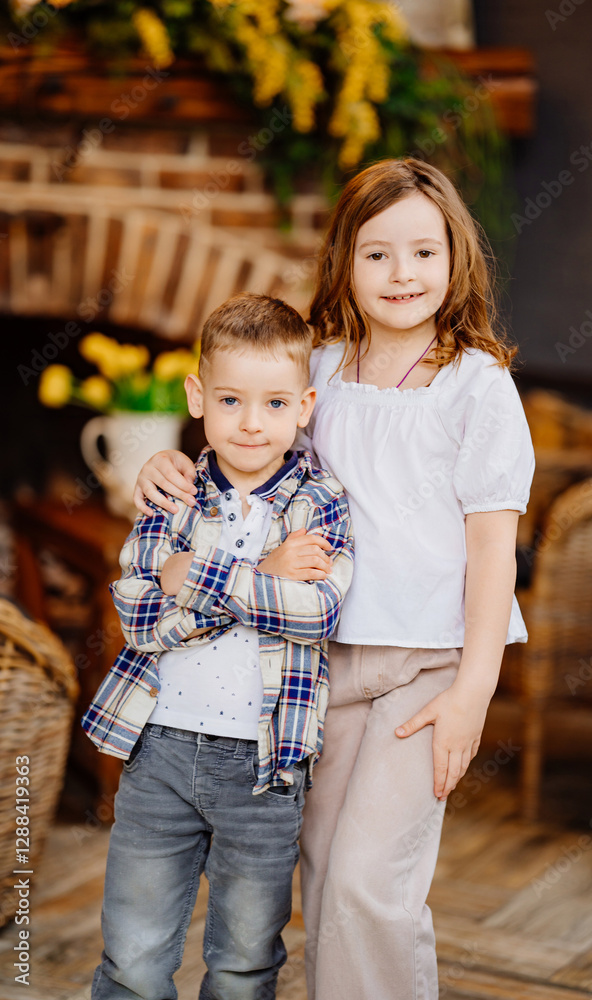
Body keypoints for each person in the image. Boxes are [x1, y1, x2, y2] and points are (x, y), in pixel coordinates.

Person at [133, 158, 535, 1000]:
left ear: (455, 258)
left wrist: (473, 690)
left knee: (366, 884)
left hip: (425, 666)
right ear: (345, 262)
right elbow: (245, 455)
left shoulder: (476, 386)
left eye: (423, 252)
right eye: (376, 254)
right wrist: (171, 463)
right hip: (314, 663)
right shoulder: (316, 370)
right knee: (317, 871)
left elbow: (493, 549)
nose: (401, 273)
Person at [82, 292, 354, 1000]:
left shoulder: (320, 502)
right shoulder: (173, 492)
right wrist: (264, 574)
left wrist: (195, 576)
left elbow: (315, 611)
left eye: (274, 403)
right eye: (231, 400)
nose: (251, 423)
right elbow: (140, 615)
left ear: (304, 407)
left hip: (265, 768)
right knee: (133, 956)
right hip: (159, 752)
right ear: (197, 397)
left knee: (242, 964)